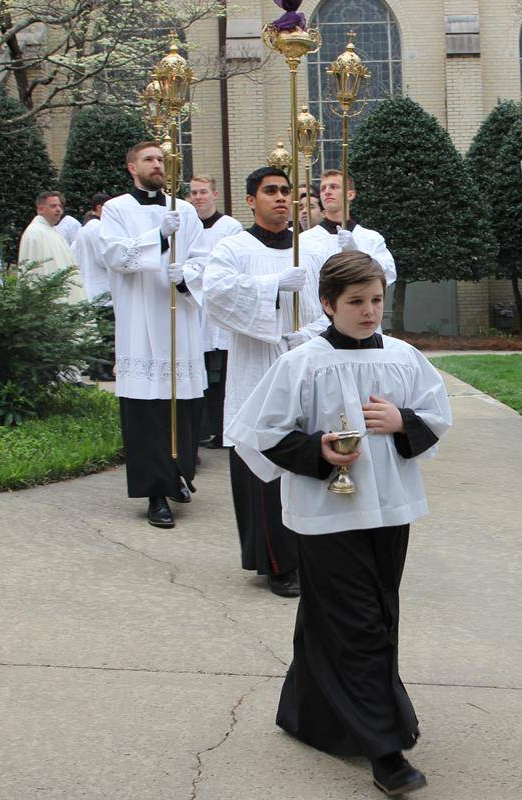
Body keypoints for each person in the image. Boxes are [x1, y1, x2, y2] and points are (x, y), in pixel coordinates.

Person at [229, 251, 451, 797]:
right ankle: (384, 747)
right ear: (327, 305)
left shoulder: (402, 357)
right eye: (356, 302)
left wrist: (404, 422)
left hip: (389, 510)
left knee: (364, 613)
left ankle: (310, 714)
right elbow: (262, 433)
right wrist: (319, 450)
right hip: (327, 515)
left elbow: (436, 414)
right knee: (359, 624)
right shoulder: (302, 363)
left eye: (376, 300)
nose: (369, 311)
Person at [196, 166, 314, 597]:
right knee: (264, 464)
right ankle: (276, 562)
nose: (281, 198)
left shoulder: (308, 250)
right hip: (256, 366)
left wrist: (313, 335)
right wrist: (273, 287)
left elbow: (327, 304)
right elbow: (218, 296)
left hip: (302, 364)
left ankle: (308, 556)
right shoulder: (233, 248)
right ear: (251, 200)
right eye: (270, 191)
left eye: (286, 191)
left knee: (304, 461)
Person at [99, 141, 208, 529]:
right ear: (132, 167)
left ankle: (178, 474)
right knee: (148, 413)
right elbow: (114, 256)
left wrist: (188, 277)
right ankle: (155, 494)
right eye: (149, 159)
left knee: (183, 408)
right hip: (140, 324)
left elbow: (203, 259)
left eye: (161, 159)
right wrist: (159, 237)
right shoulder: (116, 209)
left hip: (179, 323)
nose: (158, 165)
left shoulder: (185, 210)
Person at [188, 174, 244, 450]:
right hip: (194, 311)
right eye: (193, 193)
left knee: (220, 375)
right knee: (200, 376)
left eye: (203, 192)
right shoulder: (187, 226)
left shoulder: (230, 227)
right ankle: (202, 429)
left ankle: (224, 430)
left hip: (219, 314)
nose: (198, 197)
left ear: (214, 194)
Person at [298, 170, 396, 292]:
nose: (327, 192)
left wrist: (358, 254)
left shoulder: (371, 238)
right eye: (323, 189)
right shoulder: (305, 239)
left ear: (350, 194)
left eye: (334, 187)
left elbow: (389, 275)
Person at [74, 192, 116, 381]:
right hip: (103, 290)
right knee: (106, 335)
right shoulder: (98, 228)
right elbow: (104, 257)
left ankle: (95, 368)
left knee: (96, 334)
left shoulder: (83, 229)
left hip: (90, 288)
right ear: (99, 208)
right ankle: (103, 370)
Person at [19, 191, 86, 302]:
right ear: (41, 209)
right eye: (53, 206)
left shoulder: (53, 231)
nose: (59, 209)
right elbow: (33, 271)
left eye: (60, 206)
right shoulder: (34, 233)